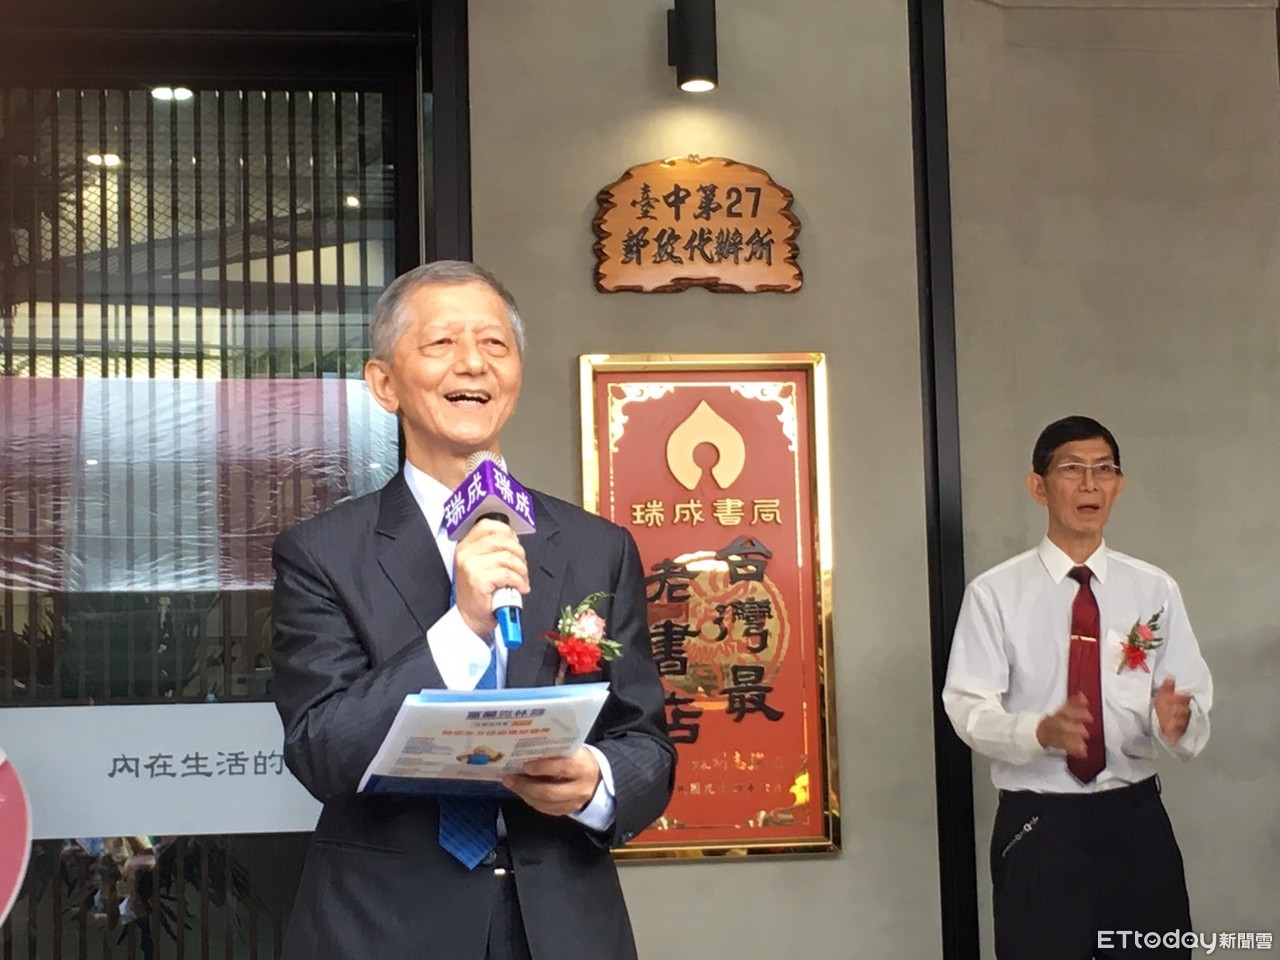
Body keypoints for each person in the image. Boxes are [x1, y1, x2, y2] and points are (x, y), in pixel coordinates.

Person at [270, 260, 675, 960]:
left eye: (494, 344)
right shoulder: (322, 553)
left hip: (563, 927)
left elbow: (647, 743)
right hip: (382, 929)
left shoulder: (596, 547)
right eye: (441, 343)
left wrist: (596, 785)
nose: (473, 364)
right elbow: (319, 751)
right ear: (384, 383)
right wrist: (461, 628)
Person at [943, 416, 1212, 960]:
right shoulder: (995, 593)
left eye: (1104, 470)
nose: (1090, 483)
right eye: (1071, 469)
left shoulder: (1154, 588)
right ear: (1038, 486)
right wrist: (1038, 731)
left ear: (1119, 485)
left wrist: (1178, 721)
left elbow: (1187, 693)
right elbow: (967, 706)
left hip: (1134, 819)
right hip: (1041, 825)